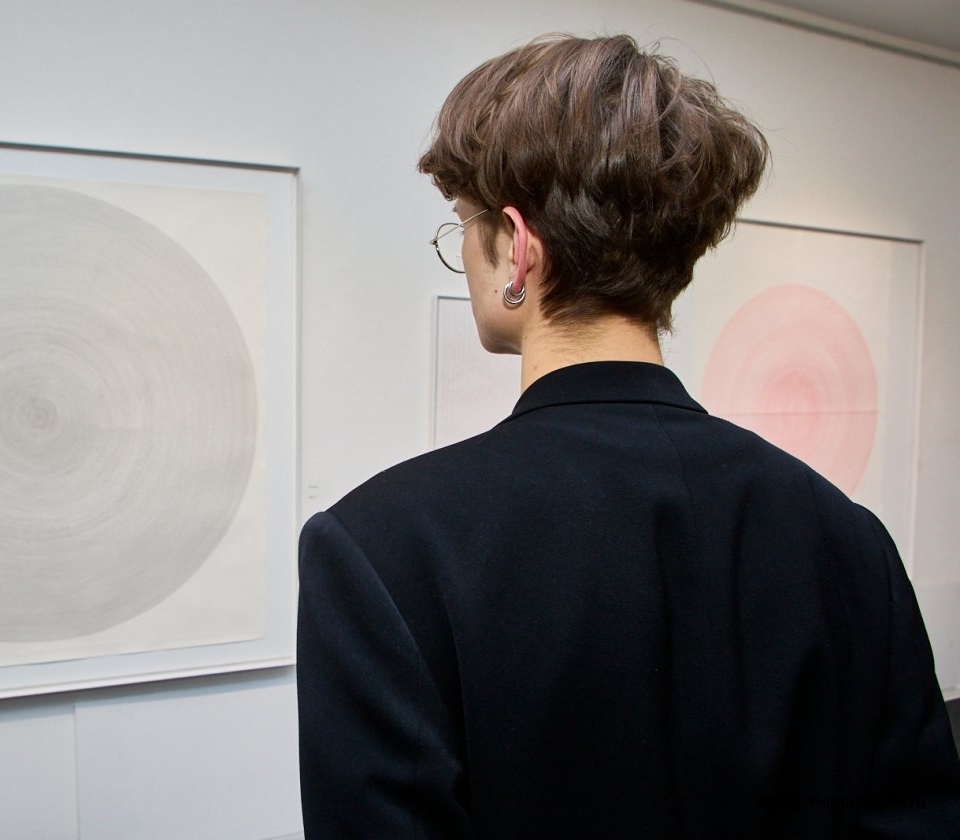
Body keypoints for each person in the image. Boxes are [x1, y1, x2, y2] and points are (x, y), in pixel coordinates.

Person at [296, 33, 960, 838]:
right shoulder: (848, 540)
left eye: (465, 225)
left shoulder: (378, 549)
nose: (464, 253)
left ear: (517, 248)